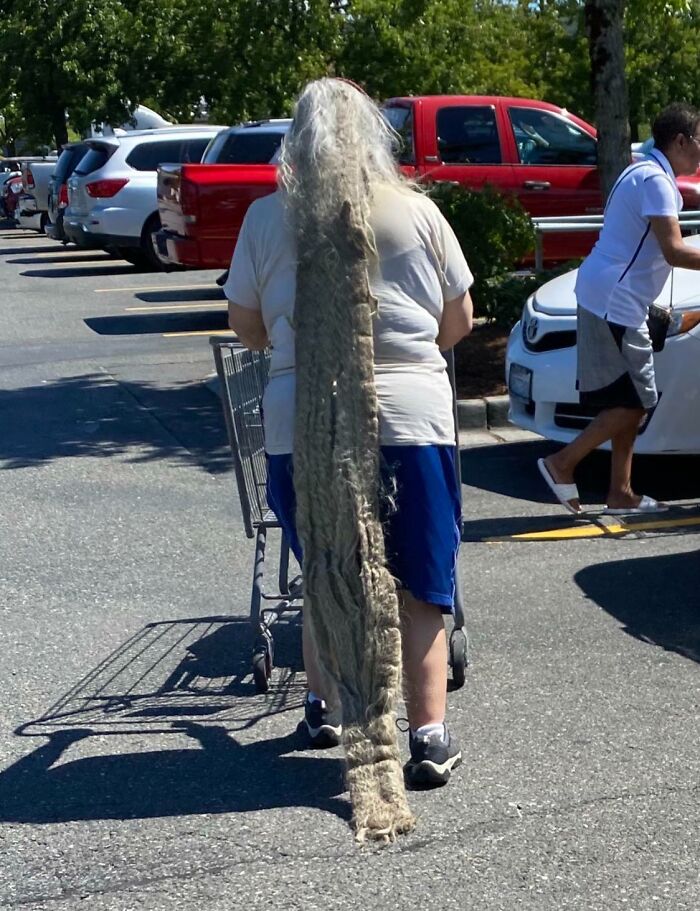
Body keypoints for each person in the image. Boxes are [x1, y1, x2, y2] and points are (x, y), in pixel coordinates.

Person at [225, 78, 473, 788]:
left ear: (295, 144)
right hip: (409, 418)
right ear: (374, 139)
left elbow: (246, 325)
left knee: (329, 569)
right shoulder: (418, 213)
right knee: (421, 582)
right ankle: (427, 733)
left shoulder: (267, 219)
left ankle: (323, 705)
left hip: (301, 424)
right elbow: (458, 320)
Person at [538, 103, 700, 515]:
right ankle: (562, 463)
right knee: (634, 403)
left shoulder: (639, 170)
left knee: (630, 401)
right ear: (681, 140)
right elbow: (674, 250)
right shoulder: (658, 183)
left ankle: (620, 493)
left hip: (608, 297)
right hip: (616, 304)